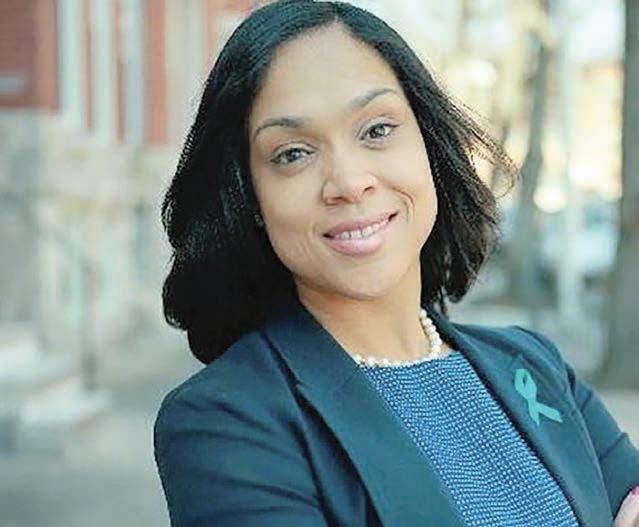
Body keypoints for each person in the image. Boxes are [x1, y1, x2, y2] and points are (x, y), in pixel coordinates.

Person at [153, 1, 639, 525]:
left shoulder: (534, 366)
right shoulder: (225, 421)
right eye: (293, 153)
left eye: (377, 130)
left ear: (427, 142)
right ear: (250, 197)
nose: (349, 181)